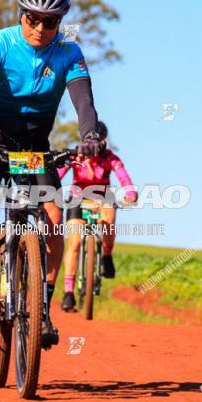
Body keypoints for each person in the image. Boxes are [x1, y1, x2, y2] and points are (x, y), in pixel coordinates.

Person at [0, 0, 104, 349]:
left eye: (49, 21)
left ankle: (42, 309)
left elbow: (84, 102)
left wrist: (89, 136)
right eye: (32, 18)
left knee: (53, 220)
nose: (39, 27)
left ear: (60, 22)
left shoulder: (69, 53)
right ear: (21, 16)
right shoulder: (0, 43)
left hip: (34, 150)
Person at [58, 121, 137, 311]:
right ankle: (69, 293)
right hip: (78, 197)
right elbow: (58, 173)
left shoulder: (110, 158)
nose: (96, 145)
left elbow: (123, 176)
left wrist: (130, 192)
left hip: (103, 197)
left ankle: (107, 255)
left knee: (109, 220)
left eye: (100, 141)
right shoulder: (76, 154)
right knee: (74, 243)